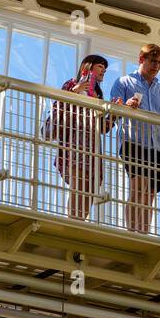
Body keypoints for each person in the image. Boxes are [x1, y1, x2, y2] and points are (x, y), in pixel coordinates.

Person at [111, 44, 160, 234]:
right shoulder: (124, 82)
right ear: (142, 59)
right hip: (134, 140)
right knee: (138, 186)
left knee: (149, 194)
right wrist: (125, 105)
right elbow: (114, 106)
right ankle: (132, 232)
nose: (156, 66)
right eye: (153, 61)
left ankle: (144, 232)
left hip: (157, 147)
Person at [49, 54, 113, 220]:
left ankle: (81, 220)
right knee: (79, 184)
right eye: (100, 66)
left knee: (90, 188)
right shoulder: (71, 84)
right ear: (88, 66)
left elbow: (103, 128)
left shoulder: (97, 95)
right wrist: (74, 92)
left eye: (104, 68)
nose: (104, 70)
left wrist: (114, 115)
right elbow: (58, 107)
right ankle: (73, 220)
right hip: (75, 141)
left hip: (93, 145)